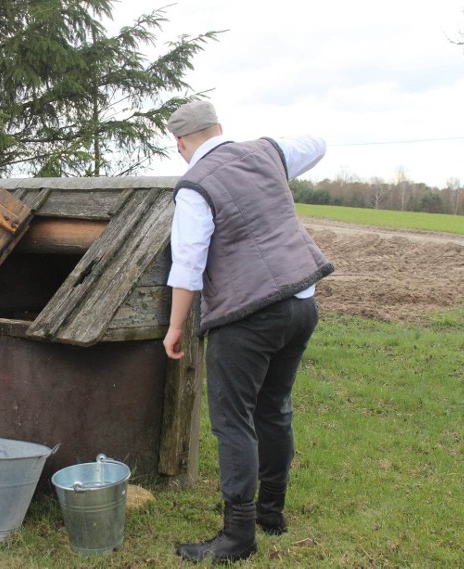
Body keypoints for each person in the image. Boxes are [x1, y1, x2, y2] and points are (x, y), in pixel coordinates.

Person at [162, 101, 334, 563]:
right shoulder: (266, 152)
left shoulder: (194, 185)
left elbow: (188, 264)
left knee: (233, 419)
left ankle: (238, 535)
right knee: (274, 408)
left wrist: (177, 326)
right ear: (220, 128)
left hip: (250, 314)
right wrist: (271, 150)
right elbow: (317, 144)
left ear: (180, 144)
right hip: (301, 302)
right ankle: (271, 513)